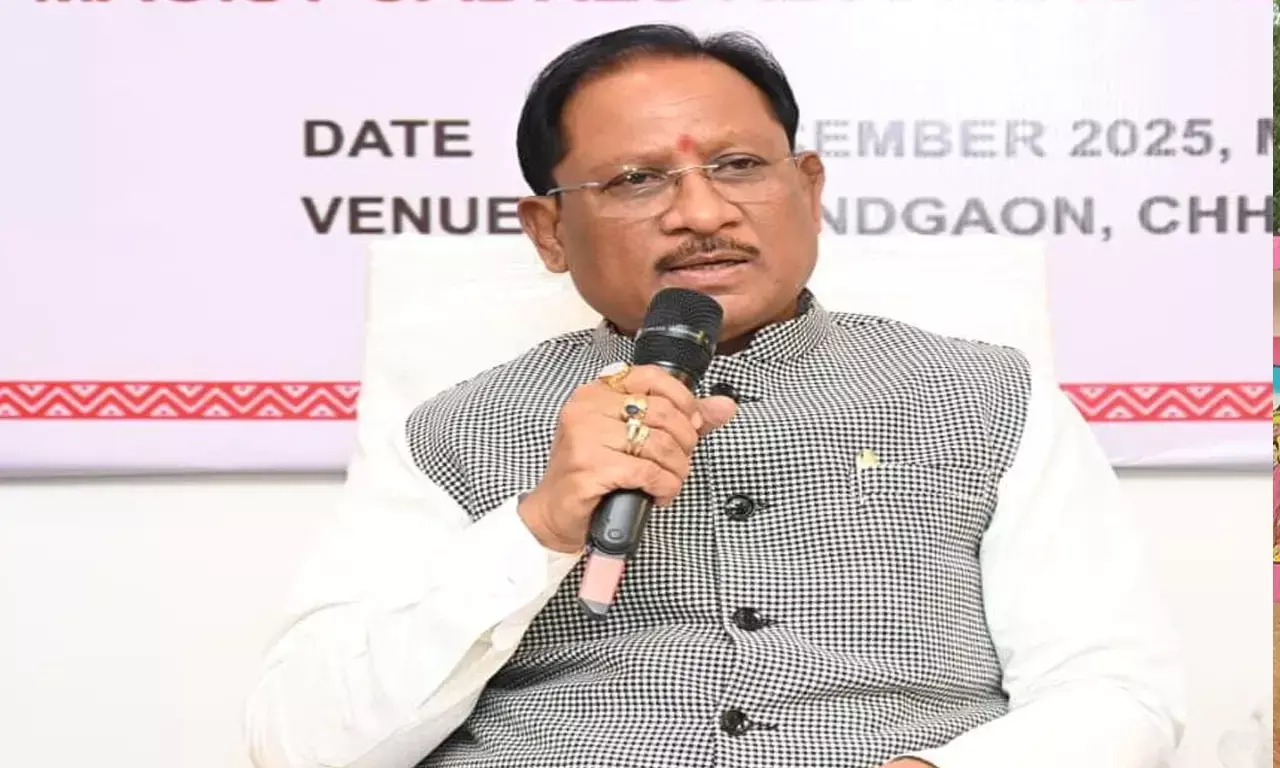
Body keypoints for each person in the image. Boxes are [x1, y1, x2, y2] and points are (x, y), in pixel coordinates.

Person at [245, 24, 1184, 768]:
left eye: (738, 166)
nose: (702, 212)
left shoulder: (988, 396)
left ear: (808, 187)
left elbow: (1114, 691)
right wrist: (536, 527)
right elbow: (301, 745)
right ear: (549, 231)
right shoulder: (451, 430)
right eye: (636, 180)